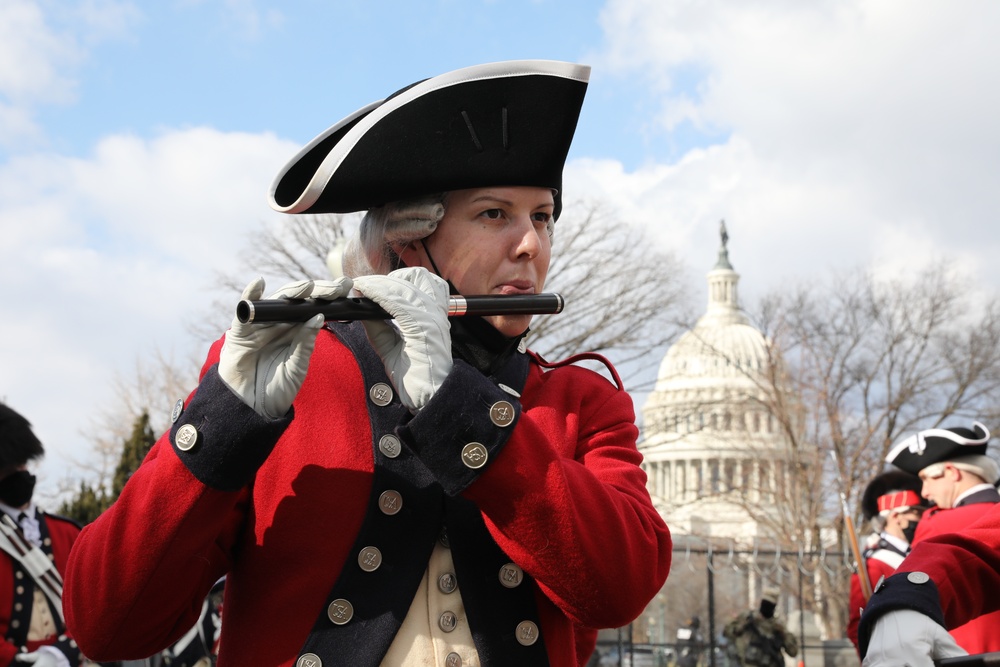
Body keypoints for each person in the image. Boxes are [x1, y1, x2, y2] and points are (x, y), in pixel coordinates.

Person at [62, 60, 673, 667]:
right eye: (495, 214)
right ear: (410, 240)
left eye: (542, 217)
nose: (531, 245)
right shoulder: (295, 379)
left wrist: (461, 411)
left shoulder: (579, 402)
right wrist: (220, 422)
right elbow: (107, 626)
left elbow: (616, 592)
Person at [879, 420, 1000, 654]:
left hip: (964, 655)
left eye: (926, 478)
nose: (924, 492)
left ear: (952, 472)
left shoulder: (939, 522)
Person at [857, 499, 1000, 667]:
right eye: (914, 512)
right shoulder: (874, 561)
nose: (924, 492)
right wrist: (909, 594)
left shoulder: (933, 523)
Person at [0, 403, 82, 667]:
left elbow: (92, 607)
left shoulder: (68, 533)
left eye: (22, 464)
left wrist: (61, 653)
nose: (20, 474)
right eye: (8, 469)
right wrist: (14, 660)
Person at [845, 470, 924, 650]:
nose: (920, 519)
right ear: (896, 516)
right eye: (915, 513)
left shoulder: (914, 553)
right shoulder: (873, 565)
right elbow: (858, 626)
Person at [722, 587, 797, 667]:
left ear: (774, 607)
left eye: (770, 605)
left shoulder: (778, 627)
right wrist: (742, 625)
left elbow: (793, 652)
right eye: (765, 603)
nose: (766, 608)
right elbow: (727, 632)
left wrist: (783, 634)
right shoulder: (748, 618)